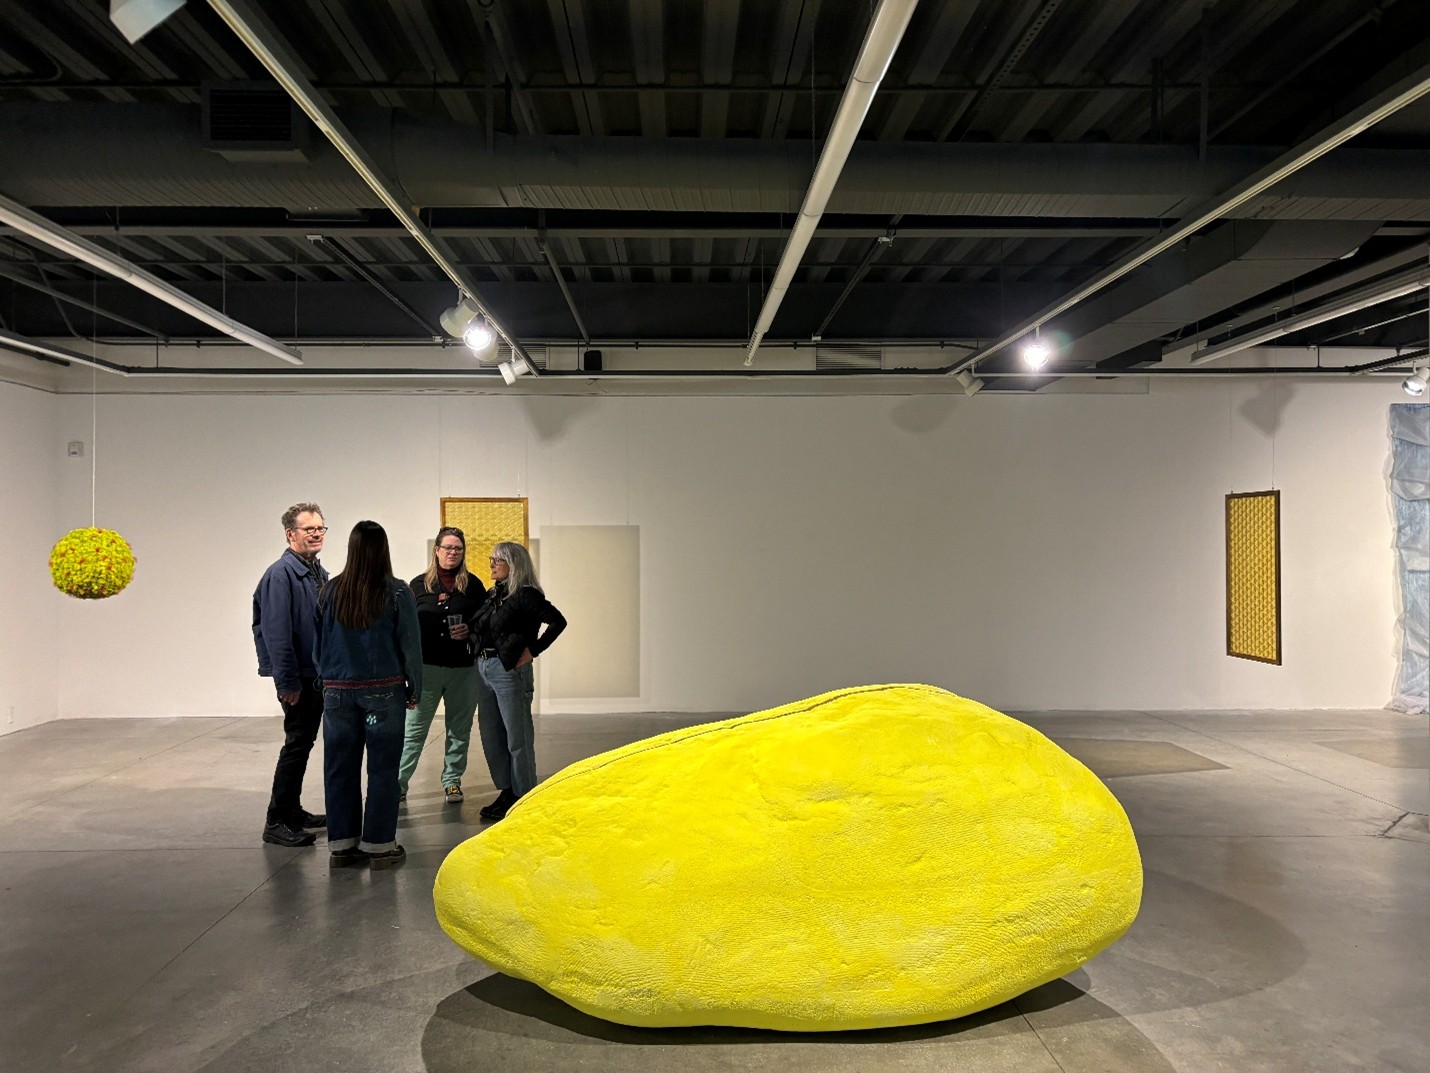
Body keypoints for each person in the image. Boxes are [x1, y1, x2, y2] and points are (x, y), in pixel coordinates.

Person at [314, 521, 422, 870]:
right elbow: (410, 646)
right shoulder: (397, 592)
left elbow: (319, 647)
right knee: (382, 769)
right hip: (382, 698)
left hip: (338, 697)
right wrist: (414, 688)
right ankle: (379, 847)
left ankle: (342, 847)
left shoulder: (330, 591)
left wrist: (327, 681)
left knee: (339, 768)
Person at [252, 502, 330, 848]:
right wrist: (287, 683)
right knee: (297, 745)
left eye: (320, 528)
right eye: (308, 529)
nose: (315, 534)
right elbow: (276, 633)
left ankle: (292, 810)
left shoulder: (316, 572)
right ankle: (277, 820)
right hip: (299, 677)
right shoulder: (280, 575)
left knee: (303, 743)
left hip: (316, 674)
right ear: (290, 534)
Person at [472, 541, 566, 821]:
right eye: (491, 559)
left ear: (514, 565)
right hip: (484, 668)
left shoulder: (526, 595)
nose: (491, 565)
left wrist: (533, 650)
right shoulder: (493, 595)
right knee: (492, 735)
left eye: (497, 561)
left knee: (517, 737)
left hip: (509, 670)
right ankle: (506, 790)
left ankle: (523, 794)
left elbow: (557, 621)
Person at [397, 527, 487, 805]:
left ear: (463, 553)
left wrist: (470, 631)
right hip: (427, 669)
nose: (452, 553)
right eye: (447, 548)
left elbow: (486, 623)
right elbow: (405, 628)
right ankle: (397, 785)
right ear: (436, 550)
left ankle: (452, 782)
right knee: (414, 731)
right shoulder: (418, 585)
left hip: (463, 669)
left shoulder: (473, 585)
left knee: (459, 730)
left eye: (457, 549)